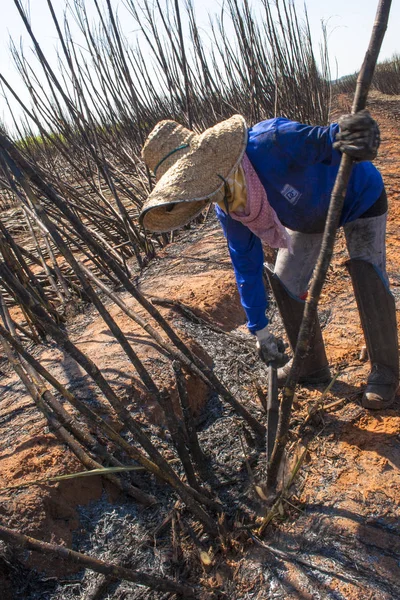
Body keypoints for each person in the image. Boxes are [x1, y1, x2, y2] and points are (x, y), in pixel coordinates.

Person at [139, 112, 399, 410]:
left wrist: (350, 132)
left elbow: (325, 140)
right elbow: (245, 266)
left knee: (368, 273)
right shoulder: (230, 206)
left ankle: (385, 370)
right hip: (309, 219)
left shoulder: (270, 141)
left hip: (359, 196)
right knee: (286, 282)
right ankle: (311, 367)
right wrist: (261, 332)